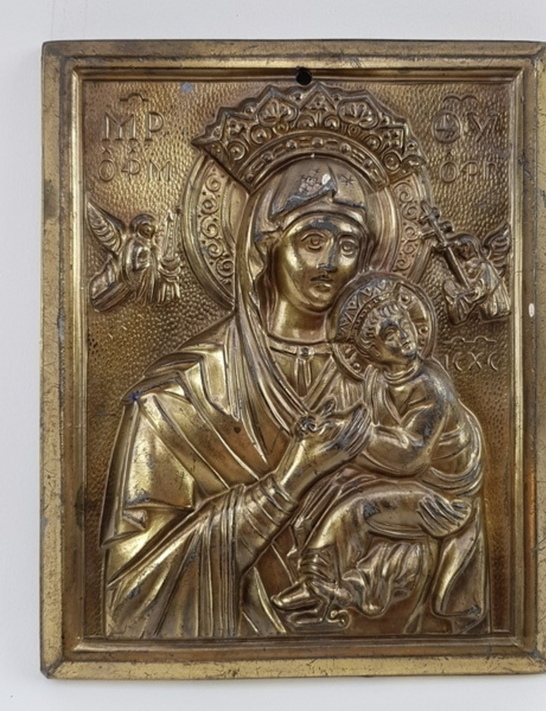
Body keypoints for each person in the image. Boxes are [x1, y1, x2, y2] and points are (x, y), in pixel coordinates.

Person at [100, 158, 385, 638]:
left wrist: (361, 586)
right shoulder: (179, 396)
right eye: (312, 241)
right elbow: (132, 601)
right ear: (266, 249)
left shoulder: (389, 381)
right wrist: (289, 482)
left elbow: (443, 511)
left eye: (349, 245)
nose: (331, 263)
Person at [273, 276, 488, 634]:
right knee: (330, 485)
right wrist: (327, 426)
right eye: (389, 334)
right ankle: (313, 575)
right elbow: (365, 422)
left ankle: (318, 585)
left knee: (356, 510)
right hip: (405, 479)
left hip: (444, 497)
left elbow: (410, 455)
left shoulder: (430, 387)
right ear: (372, 351)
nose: (403, 335)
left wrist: (350, 438)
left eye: (403, 324)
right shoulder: (378, 379)